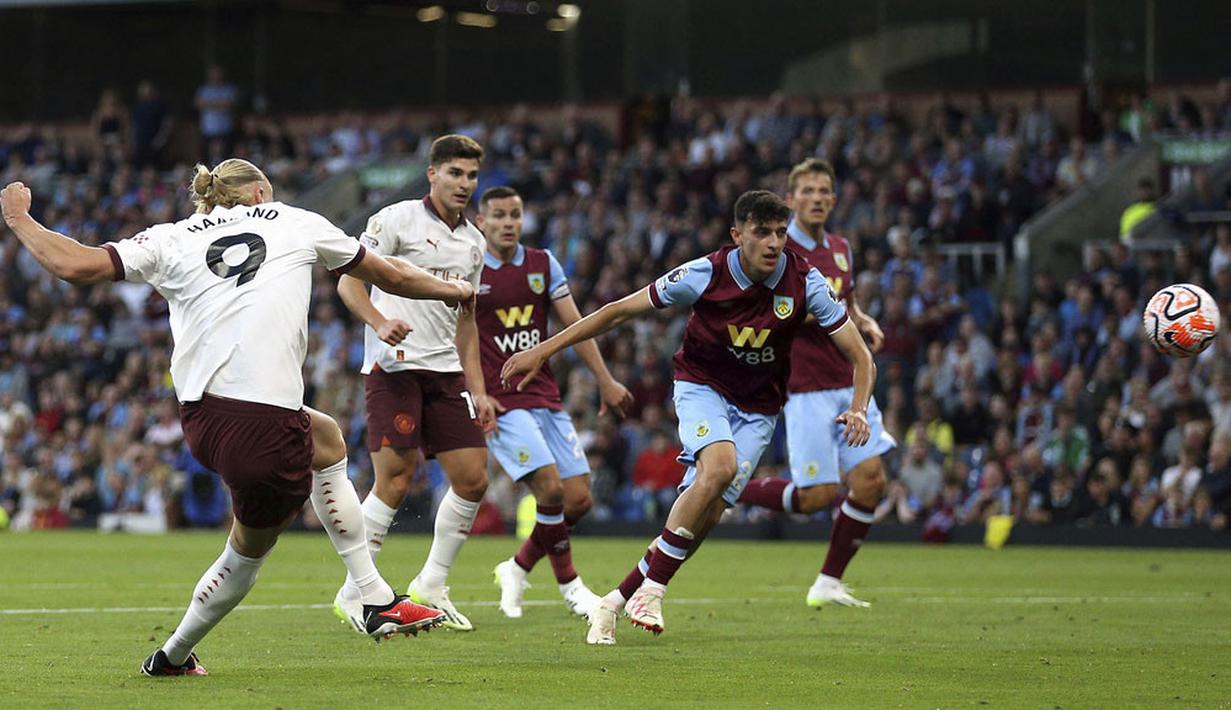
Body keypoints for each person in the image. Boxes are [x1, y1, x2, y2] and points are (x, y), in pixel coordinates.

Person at [1, 159, 475, 675]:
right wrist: (455, 290)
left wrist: (22, 220)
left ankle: (184, 654)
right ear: (258, 193)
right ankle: (367, 600)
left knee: (326, 438)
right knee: (248, 553)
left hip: (203, 418)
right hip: (261, 422)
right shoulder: (293, 219)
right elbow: (389, 272)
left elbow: (77, 266)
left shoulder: (171, 236)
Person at [502, 190, 875, 645]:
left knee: (707, 514)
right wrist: (542, 350)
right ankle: (653, 590)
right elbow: (617, 311)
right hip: (703, 388)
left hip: (760, 407)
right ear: (738, 235)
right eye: (762, 232)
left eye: (780, 232)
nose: (775, 242)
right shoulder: (705, 273)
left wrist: (859, 407)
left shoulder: (806, 281)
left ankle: (616, 600)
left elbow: (862, 357)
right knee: (718, 468)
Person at [334, 134, 494, 631]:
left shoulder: (475, 241)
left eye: (471, 176)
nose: (464, 184)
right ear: (432, 173)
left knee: (473, 478)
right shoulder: (396, 219)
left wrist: (480, 387)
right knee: (396, 480)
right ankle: (356, 592)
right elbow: (348, 281)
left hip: (446, 372)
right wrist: (380, 322)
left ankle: (431, 585)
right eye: (455, 174)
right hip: (394, 367)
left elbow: (467, 321)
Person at [736, 158, 895, 608]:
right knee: (815, 498)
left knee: (870, 481)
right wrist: (823, 314)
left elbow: (846, 296)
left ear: (834, 198)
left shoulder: (841, 247)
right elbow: (770, 312)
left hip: (850, 380)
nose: (817, 198)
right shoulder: (778, 253)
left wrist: (862, 319)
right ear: (790, 200)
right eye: (807, 191)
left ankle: (828, 581)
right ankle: (729, 484)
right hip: (805, 389)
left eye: (824, 190)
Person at [474, 186, 633, 619]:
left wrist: (604, 379)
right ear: (481, 222)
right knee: (550, 488)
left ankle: (517, 566)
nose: (508, 223)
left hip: (544, 395)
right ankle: (571, 586)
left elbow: (576, 327)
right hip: (502, 402)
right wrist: (476, 392)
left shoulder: (543, 264)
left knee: (578, 499)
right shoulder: (469, 269)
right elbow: (459, 337)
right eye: (499, 216)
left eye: (515, 215)